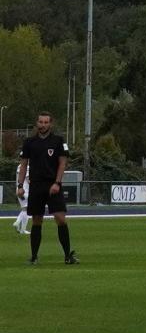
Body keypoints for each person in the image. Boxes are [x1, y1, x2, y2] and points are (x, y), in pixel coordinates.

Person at [17, 112, 77, 265]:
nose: (43, 125)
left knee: (60, 218)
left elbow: (63, 163)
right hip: (36, 185)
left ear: (51, 124)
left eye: (46, 122)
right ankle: (34, 257)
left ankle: (67, 256)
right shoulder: (29, 142)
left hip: (52, 185)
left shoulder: (58, 141)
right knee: (37, 220)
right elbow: (24, 165)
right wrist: (20, 185)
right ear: (37, 123)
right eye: (40, 122)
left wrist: (57, 183)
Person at [12, 163, 30, 234]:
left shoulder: (19, 166)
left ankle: (18, 224)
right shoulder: (27, 167)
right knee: (26, 210)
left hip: (19, 190)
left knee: (24, 209)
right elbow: (28, 179)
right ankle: (21, 228)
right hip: (24, 191)